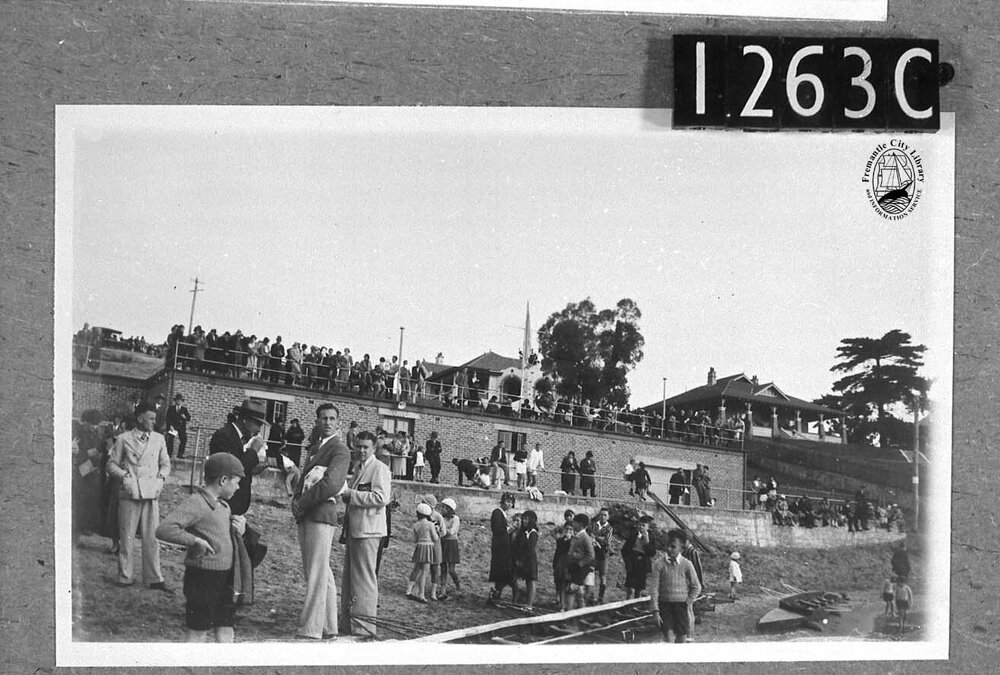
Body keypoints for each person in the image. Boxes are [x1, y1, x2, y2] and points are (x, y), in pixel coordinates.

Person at [155, 453, 246, 642]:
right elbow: (165, 529)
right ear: (223, 480)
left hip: (225, 577)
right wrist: (194, 541)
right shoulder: (197, 503)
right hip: (203, 579)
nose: (238, 487)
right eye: (236, 482)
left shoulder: (223, 506)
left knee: (225, 625)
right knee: (198, 629)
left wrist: (240, 528)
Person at [290, 403, 351, 640]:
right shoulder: (315, 448)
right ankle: (328, 627)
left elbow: (332, 484)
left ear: (338, 422)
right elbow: (305, 478)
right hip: (307, 514)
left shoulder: (340, 449)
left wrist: (302, 503)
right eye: (323, 418)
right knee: (321, 571)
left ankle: (311, 629)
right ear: (317, 421)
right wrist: (296, 501)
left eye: (332, 418)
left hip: (321, 515)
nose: (327, 422)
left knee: (316, 572)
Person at [106, 403, 172, 591]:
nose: (154, 421)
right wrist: (125, 477)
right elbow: (111, 465)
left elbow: (166, 464)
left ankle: (154, 578)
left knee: (152, 537)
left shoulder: (159, 439)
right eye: (151, 418)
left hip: (151, 493)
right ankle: (124, 576)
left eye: (154, 418)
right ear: (140, 418)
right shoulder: (123, 438)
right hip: (130, 493)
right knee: (126, 536)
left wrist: (160, 478)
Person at [339, 429, 391, 636]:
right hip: (355, 528)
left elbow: (381, 498)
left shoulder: (380, 469)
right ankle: (349, 624)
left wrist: (351, 494)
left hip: (369, 531)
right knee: (350, 579)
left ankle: (365, 628)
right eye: (358, 446)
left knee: (365, 580)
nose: (361, 451)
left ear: (374, 448)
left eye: (365, 447)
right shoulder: (359, 467)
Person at [207, 399, 268, 518]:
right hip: (224, 505)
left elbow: (241, 466)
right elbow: (232, 467)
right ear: (245, 420)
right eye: (258, 424)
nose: (259, 430)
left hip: (233, 506)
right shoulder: (225, 435)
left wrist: (254, 468)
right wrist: (253, 450)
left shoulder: (238, 437)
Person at [649, 529, 702, 643]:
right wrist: (655, 610)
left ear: (681, 548)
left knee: (681, 638)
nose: (669, 549)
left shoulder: (687, 564)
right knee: (668, 637)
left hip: (681, 606)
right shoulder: (659, 564)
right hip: (665, 605)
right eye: (667, 546)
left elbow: (696, 586)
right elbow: (654, 588)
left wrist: (688, 601)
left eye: (673, 547)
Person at [488, 492, 516, 603]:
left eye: (511, 503)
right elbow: (497, 529)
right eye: (508, 502)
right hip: (499, 547)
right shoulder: (497, 513)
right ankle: (494, 595)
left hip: (503, 546)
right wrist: (508, 529)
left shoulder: (502, 513)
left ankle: (496, 594)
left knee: (502, 571)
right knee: (498, 570)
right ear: (503, 502)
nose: (509, 505)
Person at [408, 503, 438, 603]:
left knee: (417, 568)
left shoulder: (416, 525)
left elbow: (414, 539)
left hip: (419, 547)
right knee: (425, 571)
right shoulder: (430, 524)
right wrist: (436, 531)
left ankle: (412, 591)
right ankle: (421, 594)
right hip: (428, 547)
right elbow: (435, 538)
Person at [565, 513, 595, 612]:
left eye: (575, 522)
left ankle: (568, 615)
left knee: (571, 590)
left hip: (578, 569)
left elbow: (591, 555)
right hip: (573, 567)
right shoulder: (577, 535)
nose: (573, 524)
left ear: (580, 524)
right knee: (579, 593)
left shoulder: (584, 537)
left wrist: (580, 564)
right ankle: (581, 613)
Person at [622, 515, 655, 599]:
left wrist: (647, 543)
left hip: (642, 565)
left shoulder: (651, 537)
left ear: (648, 527)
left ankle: (635, 607)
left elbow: (652, 553)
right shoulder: (633, 535)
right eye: (640, 525)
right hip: (632, 564)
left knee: (639, 590)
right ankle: (627, 607)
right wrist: (627, 561)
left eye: (643, 525)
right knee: (630, 589)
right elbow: (624, 550)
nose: (641, 527)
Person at [511, 509, 539, 609]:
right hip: (522, 560)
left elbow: (530, 549)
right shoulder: (523, 532)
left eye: (527, 519)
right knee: (524, 580)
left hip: (529, 561)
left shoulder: (533, 533)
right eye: (523, 519)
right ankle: (522, 600)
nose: (524, 521)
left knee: (531, 582)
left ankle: (529, 604)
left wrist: (522, 559)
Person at [589, 507, 614, 604]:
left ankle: (600, 597)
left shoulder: (609, 528)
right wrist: (597, 538)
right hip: (593, 553)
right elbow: (589, 534)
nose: (603, 517)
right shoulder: (594, 525)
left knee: (602, 576)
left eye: (605, 515)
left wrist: (596, 538)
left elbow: (606, 541)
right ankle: (591, 596)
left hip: (603, 554)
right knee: (591, 573)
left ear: (608, 517)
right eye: (601, 515)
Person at [438, 498, 461, 598]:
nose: (442, 509)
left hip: (451, 544)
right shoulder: (441, 518)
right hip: (443, 543)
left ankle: (458, 585)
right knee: (443, 567)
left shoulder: (455, 519)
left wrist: (441, 530)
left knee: (451, 569)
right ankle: (443, 591)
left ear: (449, 509)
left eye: (444, 507)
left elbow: (452, 531)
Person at [552, 521, 575, 610]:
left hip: (570, 564)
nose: (568, 531)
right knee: (561, 583)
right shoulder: (560, 540)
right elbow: (558, 552)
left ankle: (568, 605)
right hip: (561, 564)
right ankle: (562, 604)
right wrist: (555, 563)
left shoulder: (575, 540)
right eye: (567, 529)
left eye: (570, 529)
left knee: (569, 585)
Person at [165, 393, 192, 458]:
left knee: (183, 439)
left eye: (180, 400)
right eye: (177, 400)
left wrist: (184, 417)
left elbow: (188, 418)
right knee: (170, 439)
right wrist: (170, 426)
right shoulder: (171, 408)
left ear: (182, 401)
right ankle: (169, 454)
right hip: (173, 427)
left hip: (181, 427)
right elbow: (168, 418)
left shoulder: (184, 409)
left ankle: (180, 454)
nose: (179, 402)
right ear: (175, 401)